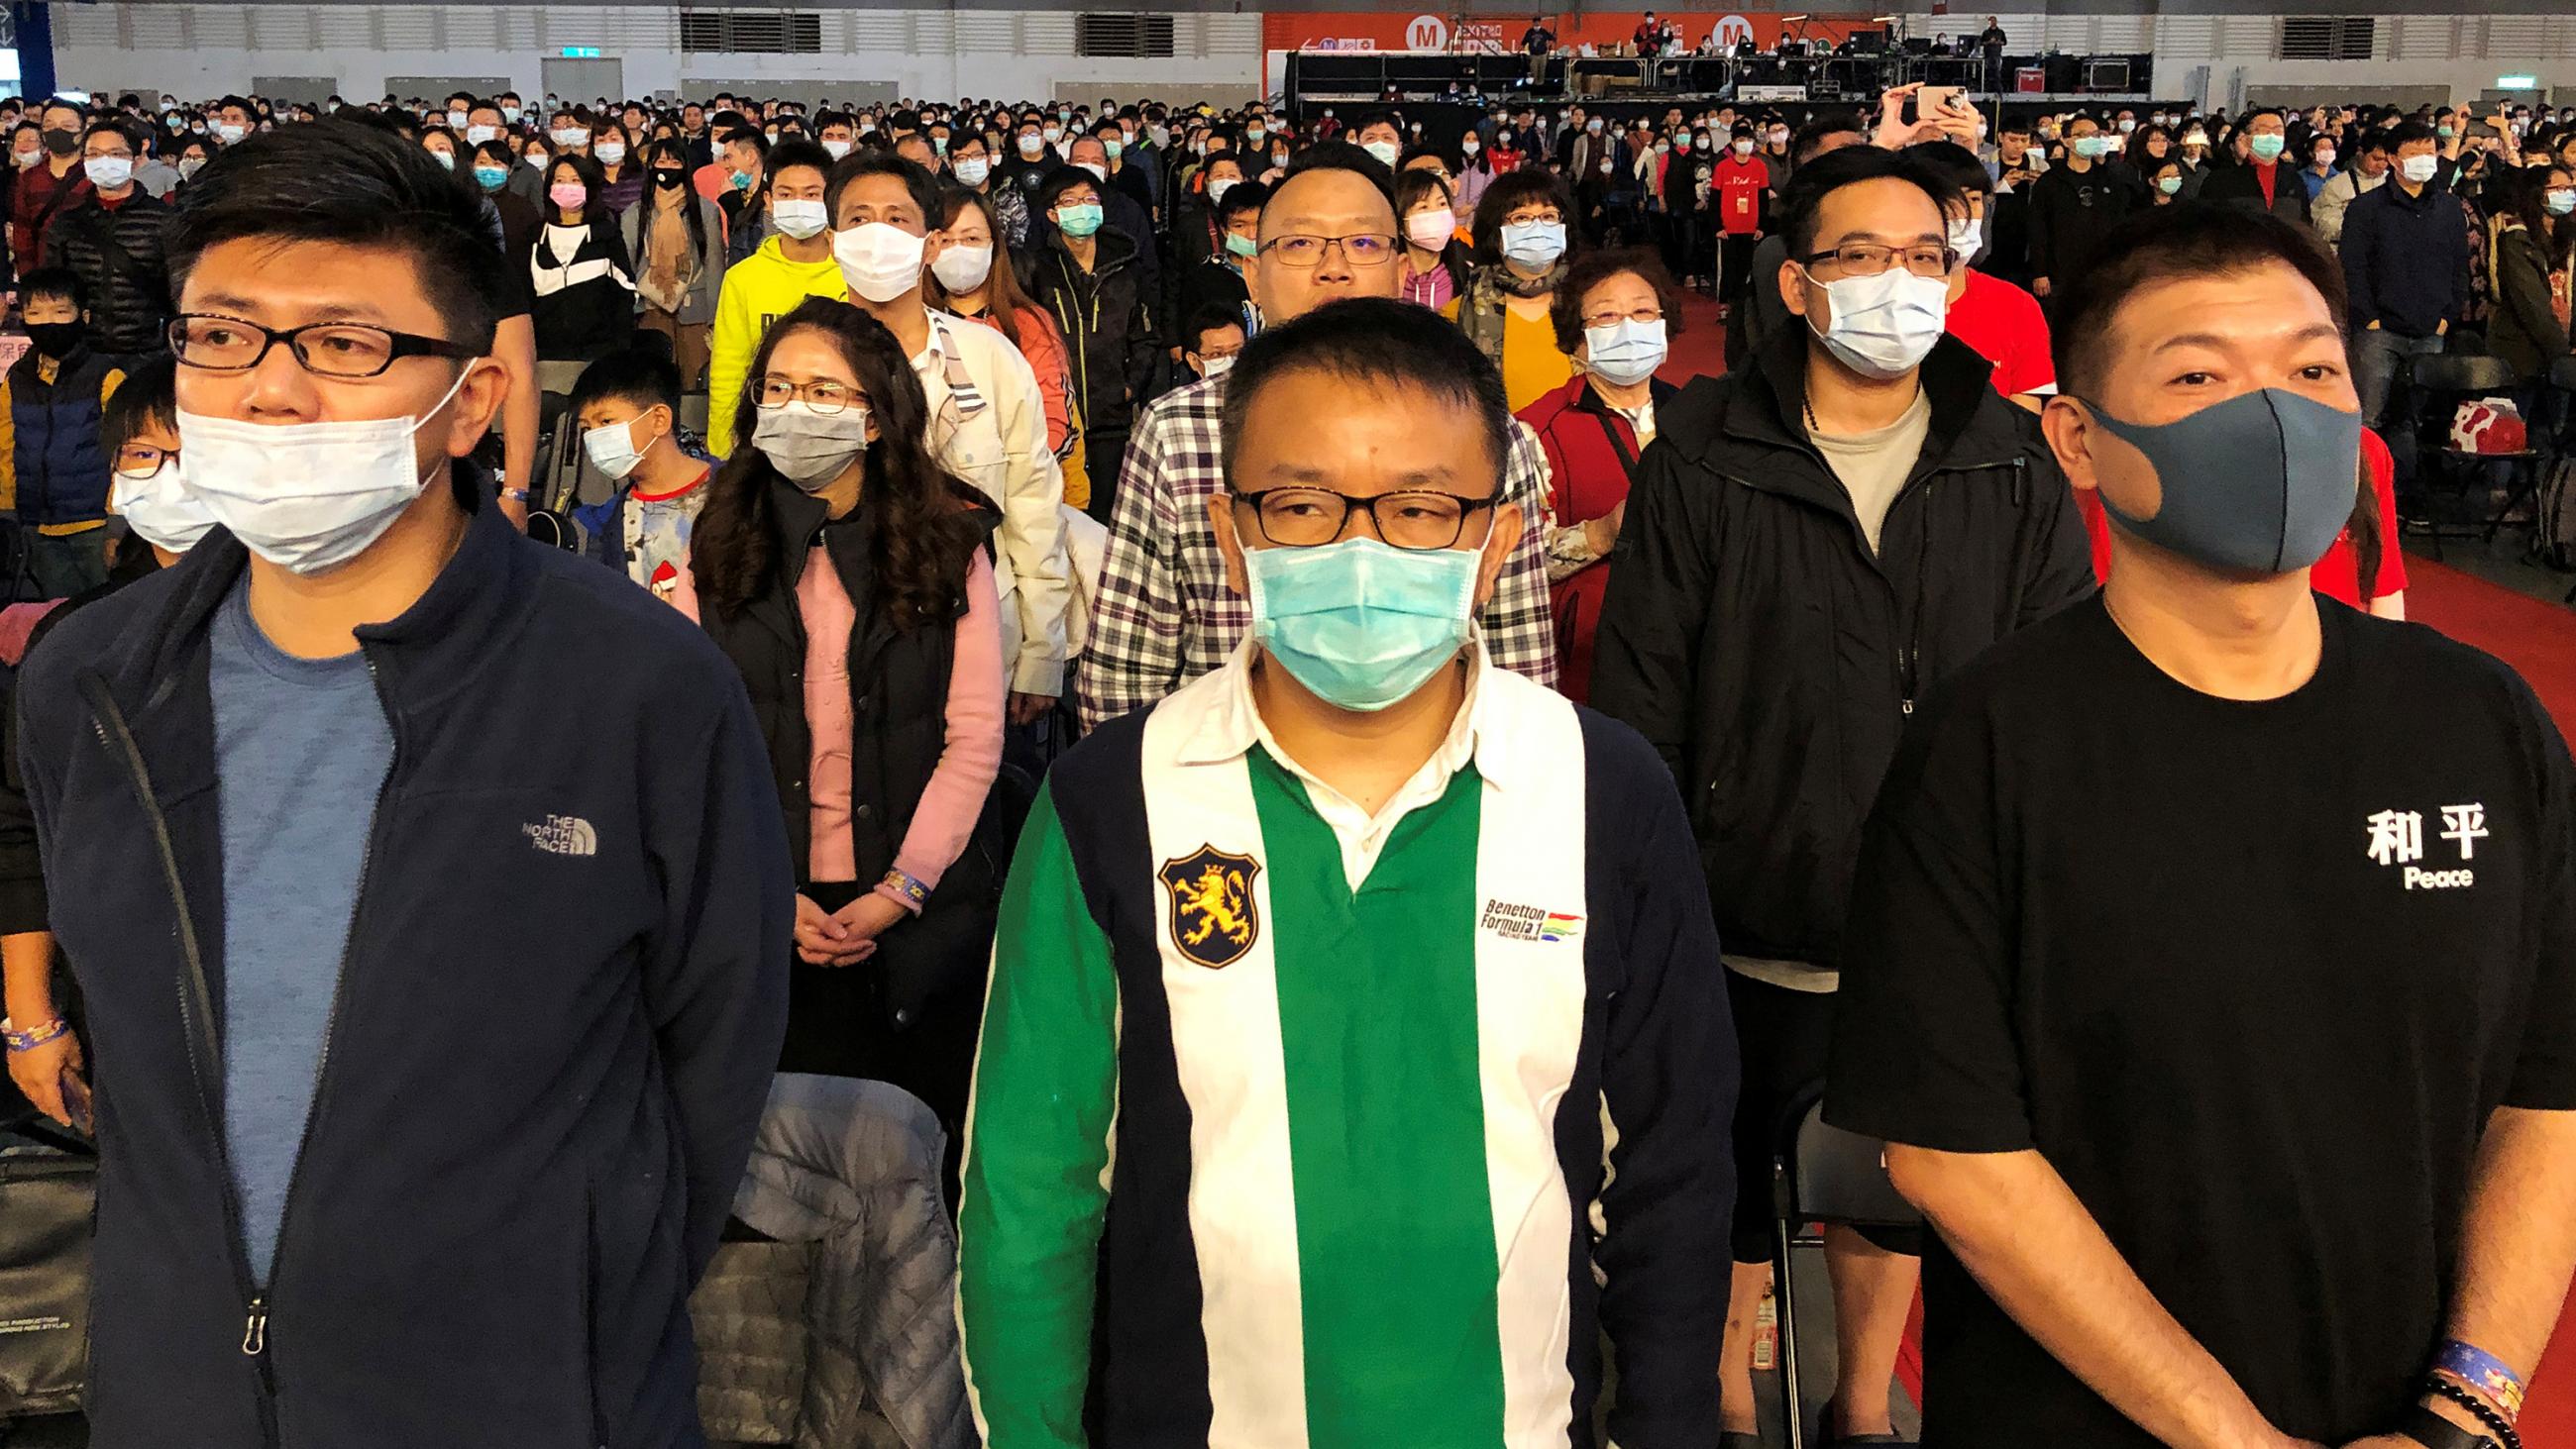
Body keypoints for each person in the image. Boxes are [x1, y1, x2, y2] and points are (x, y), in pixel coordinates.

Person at [12, 117, 787, 1449]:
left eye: (344, 344)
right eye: (222, 334)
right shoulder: (94, 682)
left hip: (533, 1393)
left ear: (472, 398)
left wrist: (579, 1310)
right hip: (179, 1390)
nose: (269, 390)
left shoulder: (637, 689)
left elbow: (710, 1057)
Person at [1829, 201, 2576, 1449]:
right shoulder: (1987, 745)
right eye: (2196, 375)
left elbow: (2546, 1097)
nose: (2273, 413)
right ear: (2075, 437)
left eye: (2308, 367)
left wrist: (2464, 1410)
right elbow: (1952, 1153)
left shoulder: (2477, 718)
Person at [960, 294, 1732, 1449]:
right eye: (1304, 505)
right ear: (1230, 533)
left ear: (1497, 540)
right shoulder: (1111, 796)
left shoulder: (1600, 790)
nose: (1362, 548)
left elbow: (1670, 1163)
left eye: (1423, 508)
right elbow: (1030, 1186)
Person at [1588, 144, 2093, 1449]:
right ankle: (1724, 1379)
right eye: (1862, 256)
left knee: (1895, 1180)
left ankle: (1864, 1396)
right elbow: (1643, 696)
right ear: (1798, 285)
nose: (1899, 284)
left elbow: (2053, 686)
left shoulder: (2008, 455)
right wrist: (1653, 896)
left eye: (1927, 257)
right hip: (1740, 904)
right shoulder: (1703, 454)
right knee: (1724, 1172)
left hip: (1936, 919)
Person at [1075, 145, 1561, 729]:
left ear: (1402, 268)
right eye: (1300, 243)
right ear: (1252, 272)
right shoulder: (1177, 432)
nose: (1334, 268)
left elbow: (1519, 661)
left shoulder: (1489, 433)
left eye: (1363, 243)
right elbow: (1128, 667)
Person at [670, 297, 1005, 1144]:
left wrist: (900, 891)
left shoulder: (947, 546)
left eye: (822, 389)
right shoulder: (713, 548)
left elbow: (972, 741)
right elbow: (684, 744)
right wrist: (767, 896)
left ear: (875, 416)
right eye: (777, 388)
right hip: (764, 910)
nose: (794, 408)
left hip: (913, 911)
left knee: (912, 1168)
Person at [832, 154, 1072, 722]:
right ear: (834, 238)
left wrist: (1042, 653)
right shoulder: (806, 358)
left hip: (977, 636)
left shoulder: (990, 358)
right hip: (840, 640)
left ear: (932, 244)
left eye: (897, 219)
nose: (877, 237)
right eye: (859, 220)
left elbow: (1033, 504)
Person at [1520, 249, 1682, 702]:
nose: (1629, 328)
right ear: (1576, 339)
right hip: (1591, 653)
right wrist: (1601, 533)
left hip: (1690, 640)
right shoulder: (1537, 428)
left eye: (1643, 312)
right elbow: (1515, 561)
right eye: (1607, 317)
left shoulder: (1698, 414)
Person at [1024, 165, 1157, 523]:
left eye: (1089, 199)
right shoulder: (1037, 269)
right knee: (1058, 513)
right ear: (1053, 214)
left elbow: (1144, 333)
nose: (1081, 208)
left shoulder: (1125, 267)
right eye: (1069, 201)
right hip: (1056, 416)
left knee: (1107, 513)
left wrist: (1130, 386)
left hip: (1110, 412)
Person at [932, 186, 1077, 484]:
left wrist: (1016, 477)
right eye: (945, 240)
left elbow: (1055, 413)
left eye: (971, 238)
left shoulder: (1028, 323)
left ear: (994, 245)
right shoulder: (916, 322)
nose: (958, 249)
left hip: (1019, 492)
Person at [707, 139, 843, 458]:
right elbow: (730, 368)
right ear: (768, 200)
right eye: (786, 194)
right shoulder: (744, 278)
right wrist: (726, 449)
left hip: (839, 432)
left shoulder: (853, 274)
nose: (799, 203)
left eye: (812, 194)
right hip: (765, 437)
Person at [0, 268, 127, 598]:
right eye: (35, 313)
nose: (47, 322)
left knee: (108, 613)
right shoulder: (16, 380)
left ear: (83, 317)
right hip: (37, 525)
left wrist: (117, 522)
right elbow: (5, 446)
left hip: (94, 525)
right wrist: (7, 510)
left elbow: (125, 452)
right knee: (59, 619)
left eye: (60, 312)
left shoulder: (106, 376)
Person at [2342, 122, 2470, 428]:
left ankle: (2408, 475)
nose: (2424, 159)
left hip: (2431, 329)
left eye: (2429, 152)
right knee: (2368, 417)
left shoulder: (2450, 208)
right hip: (2380, 330)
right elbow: (2352, 266)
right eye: (2414, 153)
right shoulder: (2367, 208)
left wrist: (2447, 317)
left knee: (2414, 421)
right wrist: (2369, 317)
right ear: (2393, 159)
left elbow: (2459, 266)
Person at [564, 346, 711, 597]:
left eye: (606, 421)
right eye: (586, 428)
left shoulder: (734, 494)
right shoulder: (609, 522)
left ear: (659, 419)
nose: (594, 437)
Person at [1918, 142, 2056, 407]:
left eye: (1972, 199)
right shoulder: (1880, 305)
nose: (1963, 214)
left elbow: (2022, 426)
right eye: (1945, 201)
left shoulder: (2016, 306)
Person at [43, 119, 174, 366]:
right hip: (85, 354)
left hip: (148, 353)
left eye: (115, 154)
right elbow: (56, 286)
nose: (104, 161)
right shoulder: (67, 222)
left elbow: (177, 286)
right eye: (93, 154)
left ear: (134, 159)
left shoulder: (163, 219)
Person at [1461, 170, 1579, 411]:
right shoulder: (1460, 312)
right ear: (1496, 232)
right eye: (1521, 218)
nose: (1537, 227)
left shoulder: (1588, 301)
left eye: (1549, 216)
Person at [621, 137, 723, 393]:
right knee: (654, 383)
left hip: (695, 310)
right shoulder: (635, 212)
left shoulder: (705, 210)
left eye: (675, 161)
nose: (668, 167)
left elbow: (714, 264)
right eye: (661, 161)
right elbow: (627, 262)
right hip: (650, 308)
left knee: (696, 382)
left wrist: (714, 316)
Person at [2027, 115, 2135, 305]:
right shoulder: (2049, 182)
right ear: (2066, 140)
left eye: (2094, 135)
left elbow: (2119, 225)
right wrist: (2039, 272)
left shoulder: (2109, 179)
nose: (2089, 139)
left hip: (2099, 270)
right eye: (2082, 135)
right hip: (2059, 271)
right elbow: (2038, 228)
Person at [2486, 163, 2574, 390]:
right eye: (2559, 189)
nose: (2567, 195)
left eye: (2570, 188)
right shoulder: (2517, 240)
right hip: (2523, 354)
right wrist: (2562, 354)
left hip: (2566, 351)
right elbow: (2531, 305)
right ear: (2538, 194)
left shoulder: (2569, 239)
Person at [1178, 175, 1264, 339]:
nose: (1252, 235)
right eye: (1240, 226)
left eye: (1259, 224)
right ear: (1224, 230)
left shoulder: (1286, 272)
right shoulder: (1204, 277)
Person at [11, 98, 90, 269]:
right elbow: (23, 236)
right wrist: (30, 281)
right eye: (49, 125)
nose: (57, 131)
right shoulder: (29, 178)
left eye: (67, 126)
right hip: (46, 273)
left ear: (83, 131)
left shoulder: (94, 174)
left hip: (90, 272)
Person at [2200, 109, 2311, 227]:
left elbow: (2305, 224)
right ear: (2246, 138)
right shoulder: (2219, 180)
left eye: (2278, 131)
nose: (2271, 136)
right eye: (2264, 130)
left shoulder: (2293, 179)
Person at [1712, 128, 1770, 318]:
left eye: (1748, 140)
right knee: (1728, 268)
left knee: (1747, 266)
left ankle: (1743, 305)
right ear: (1734, 143)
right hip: (1728, 228)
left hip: (1751, 226)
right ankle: (1725, 306)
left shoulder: (1759, 166)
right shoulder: (1722, 167)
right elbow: (1715, 198)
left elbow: (1763, 198)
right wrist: (1717, 226)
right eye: (1741, 140)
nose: (1745, 144)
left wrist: (1762, 225)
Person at [1396, 168, 1468, 314]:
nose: (1437, 214)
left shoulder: (1465, 278)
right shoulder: (1388, 281)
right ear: (1400, 224)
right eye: (1423, 207)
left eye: (1442, 204)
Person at [2314, 133, 2390, 248]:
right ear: (2360, 152)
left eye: (2386, 160)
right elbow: (2325, 225)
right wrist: (2363, 229)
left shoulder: (2393, 182)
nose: (2381, 165)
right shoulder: (2337, 185)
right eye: (2376, 159)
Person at [717, 127, 770, 266]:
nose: (725, 166)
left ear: (751, 156)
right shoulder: (745, 193)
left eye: (729, 157)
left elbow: (749, 248)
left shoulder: (771, 199)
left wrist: (733, 205)